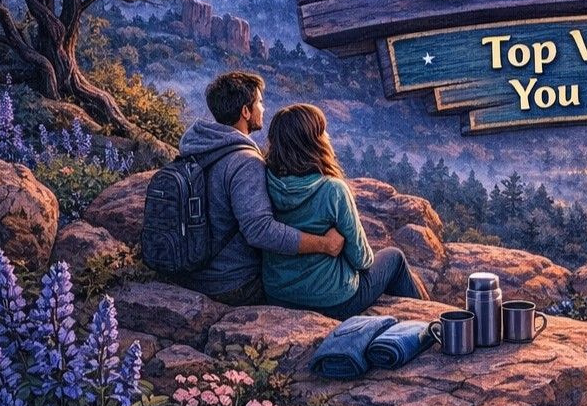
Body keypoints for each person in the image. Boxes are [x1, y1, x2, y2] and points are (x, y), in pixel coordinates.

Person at [177, 72, 345, 306]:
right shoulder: (245, 162)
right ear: (246, 111)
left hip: (189, 272)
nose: (263, 109)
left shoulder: (198, 147)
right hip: (232, 284)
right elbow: (260, 230)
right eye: (259, 102)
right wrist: (324, 244)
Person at [261, 103, 430, 319]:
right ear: (313, 142)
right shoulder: (332, 189)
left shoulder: (265, 180)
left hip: (279, 296)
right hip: (333, 302)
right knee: (393, 257)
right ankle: (424, 325)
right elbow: (363, 259)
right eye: (322, 131)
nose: (328, 136)